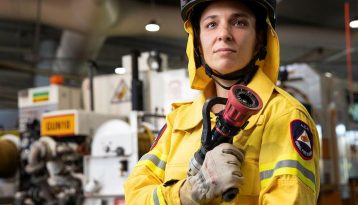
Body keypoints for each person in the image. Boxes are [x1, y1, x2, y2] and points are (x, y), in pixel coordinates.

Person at [124, 0, 320, 204]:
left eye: (239, 23)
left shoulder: (285, 115)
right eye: (211, 24)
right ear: (197, 42)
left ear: (260, 38)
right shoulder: (178, 123)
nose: (224, 34)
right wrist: (188, 193)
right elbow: (135, 196)